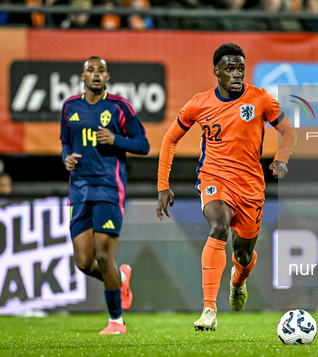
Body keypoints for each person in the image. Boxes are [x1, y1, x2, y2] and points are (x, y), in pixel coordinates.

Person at [156, 43, 297, 331]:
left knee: (243, 255)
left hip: (251, 187)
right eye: (230, 69)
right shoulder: (199, 103)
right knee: (218, 227)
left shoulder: (260, 100)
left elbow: (289, 131)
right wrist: (163, 185)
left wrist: (281, 159)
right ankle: (209, 309)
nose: (236, 74)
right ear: (216, 72)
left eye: (240, 69)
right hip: (214, 179)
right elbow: (170, 139)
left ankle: (238, 281)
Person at [60, 56, 150, 334]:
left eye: (101, 70)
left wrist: (116, 140)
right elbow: (65, 141)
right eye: (91, 70)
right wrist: (66, 157)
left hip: (109, 188)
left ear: (107, 77)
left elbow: (143, 144)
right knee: (84, 262)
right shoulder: (69, 107)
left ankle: (116, 321)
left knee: (102, 253)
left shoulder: (120, 107)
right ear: (82, 77)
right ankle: (120, 278)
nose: (96, 74)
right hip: (79, 190)